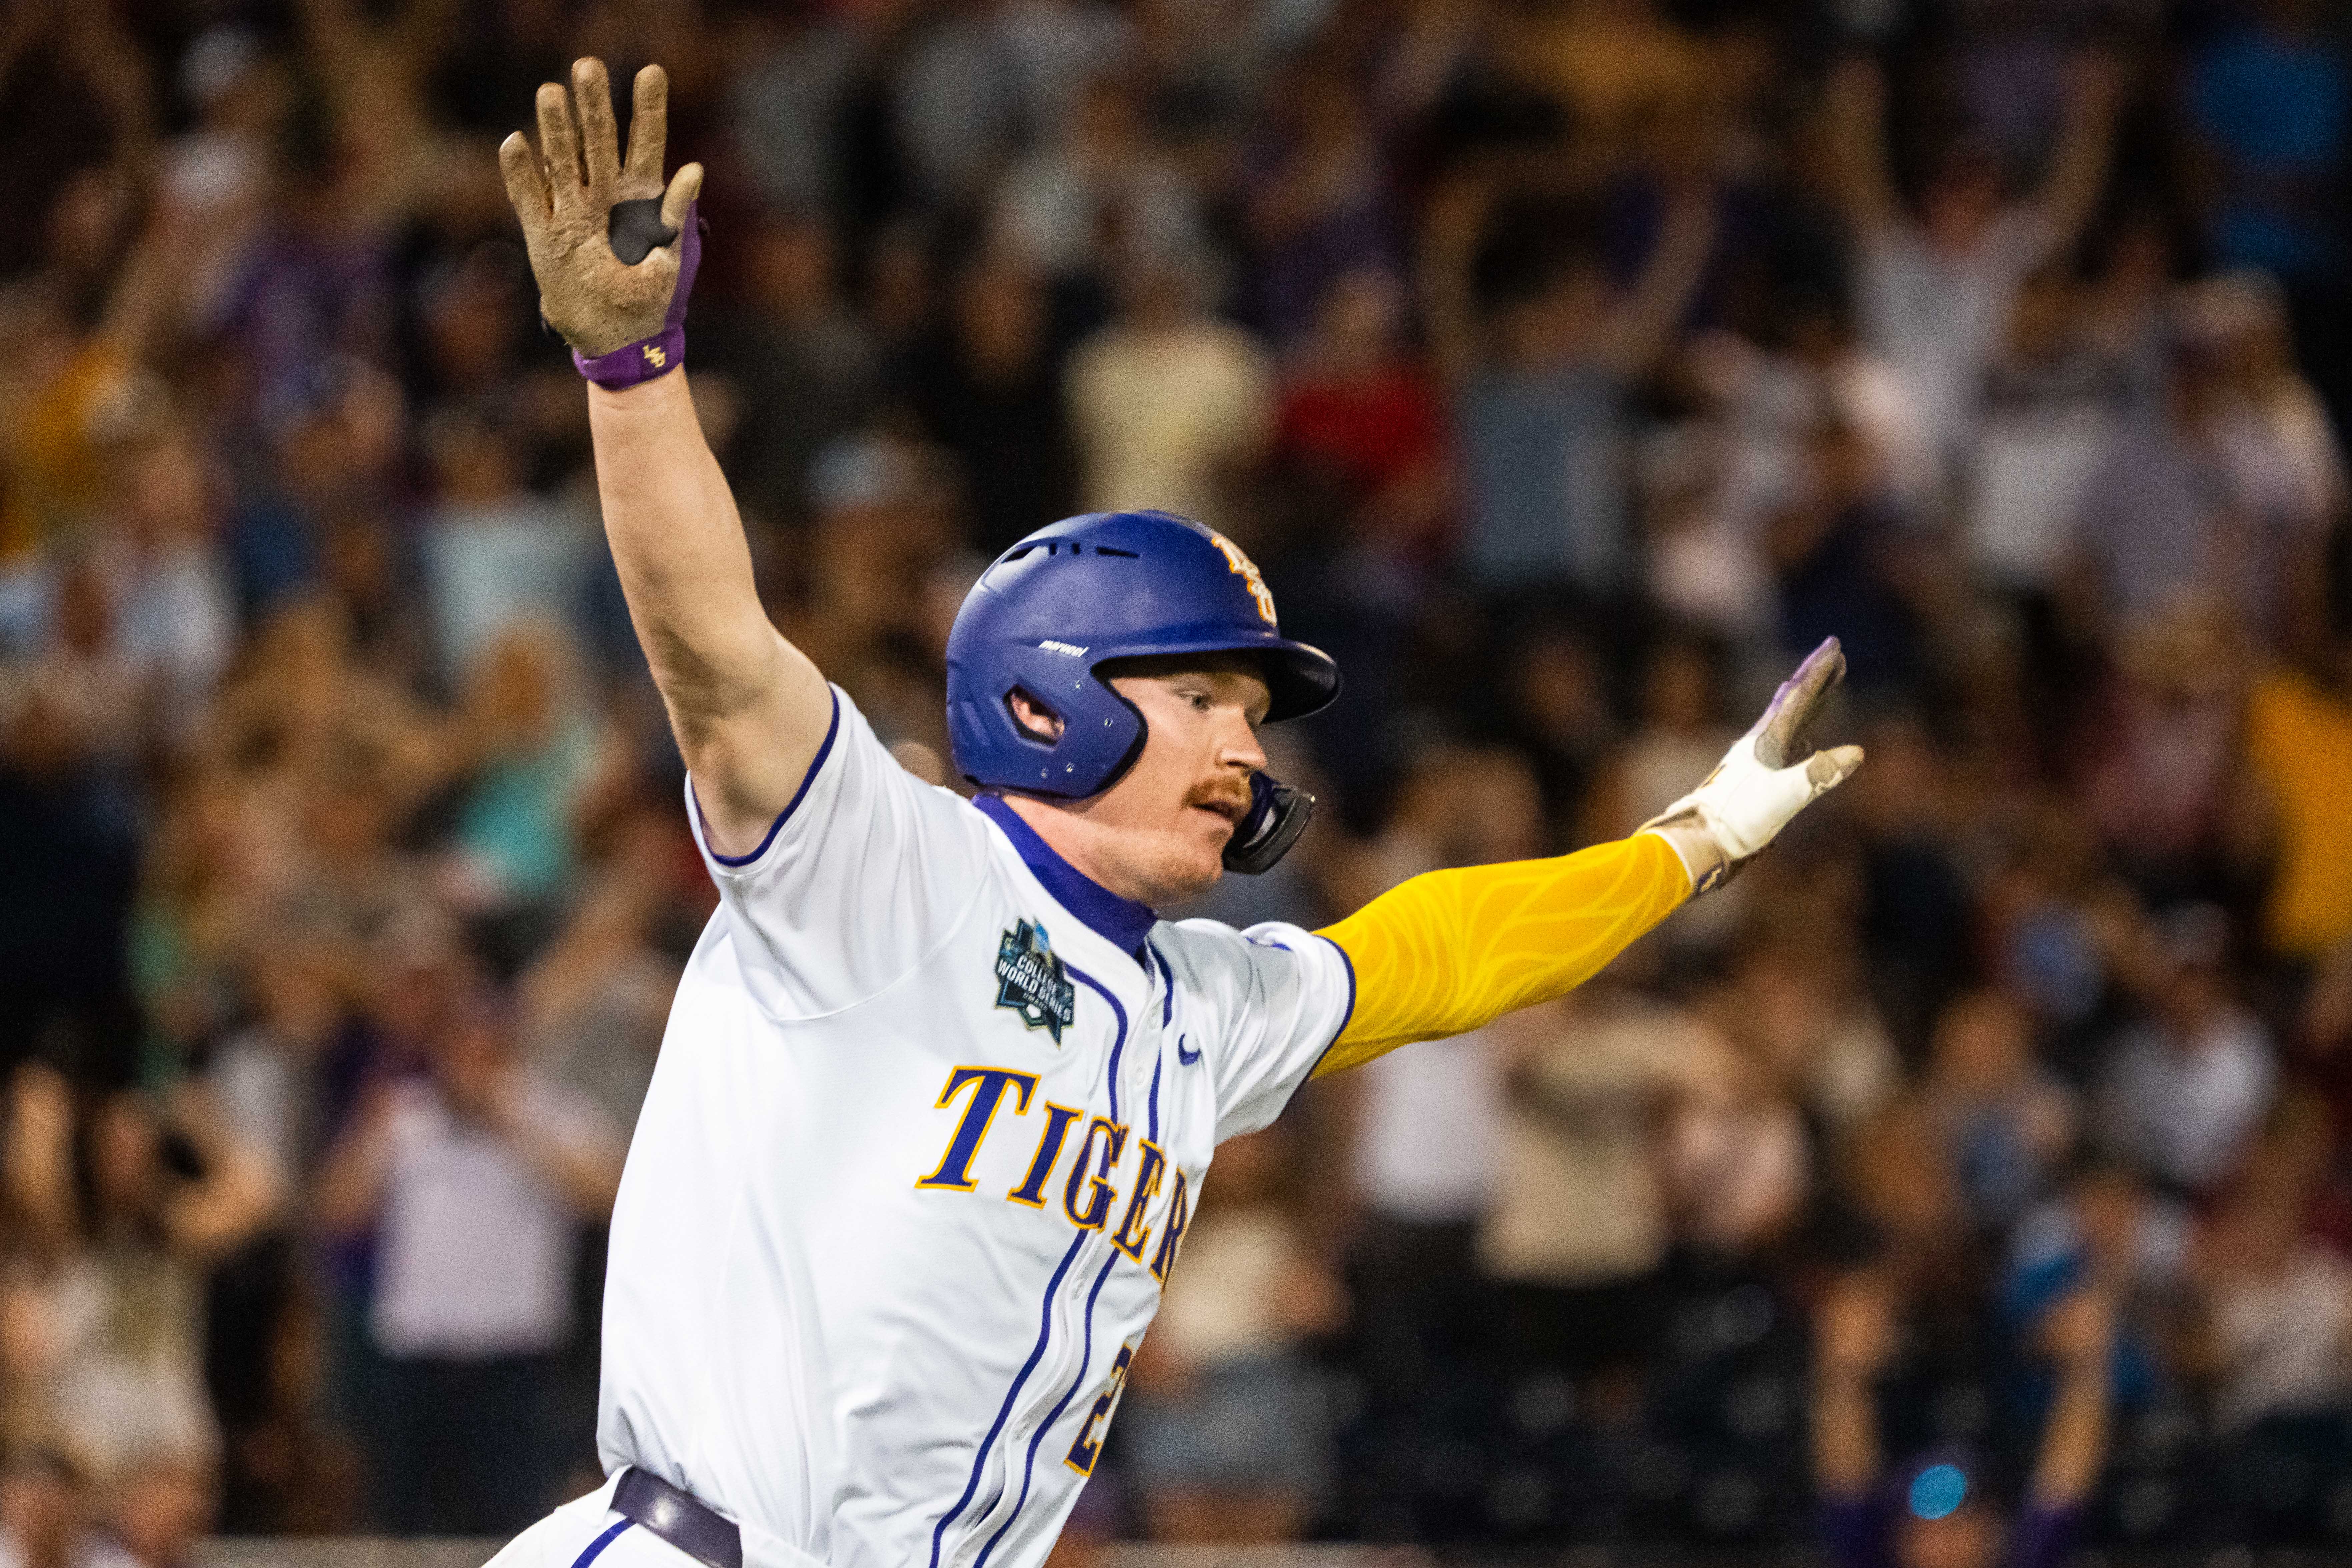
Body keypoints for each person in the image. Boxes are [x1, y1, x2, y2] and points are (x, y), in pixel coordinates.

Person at [484, 58, 1865, 1568]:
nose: (1240, 745)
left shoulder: (1202, 1006)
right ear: (1042, 702)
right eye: (1199, 693)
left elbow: (1440, 950)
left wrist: (1688, 844)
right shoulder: (886, 865)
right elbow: (716, 657)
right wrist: (633, 376)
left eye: (1250, 711)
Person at [1812, 1269, 2118, 1568]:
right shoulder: (1868, 1556)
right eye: (1928, 1528)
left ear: (1995, 1531)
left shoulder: (2025, 1557)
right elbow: (1846, 1483)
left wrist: (2086, 1368)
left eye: (1962, 1524)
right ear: (1899, 1541)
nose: (1945, 1545)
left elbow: (2063, 1487)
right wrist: (1844, 1375)